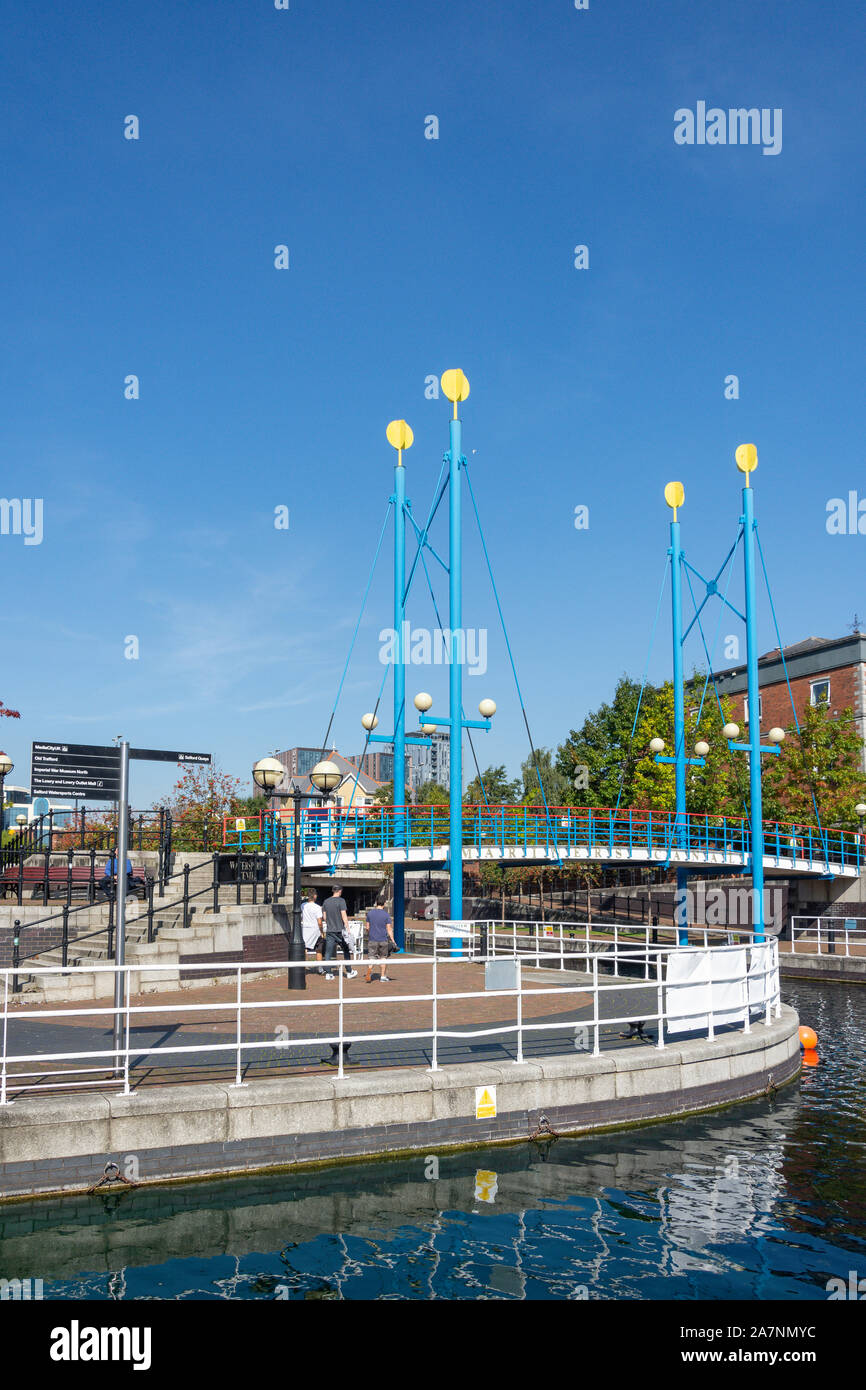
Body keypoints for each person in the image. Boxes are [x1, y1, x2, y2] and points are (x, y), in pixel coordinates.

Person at [322, 885, 357, 981]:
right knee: (346, 950)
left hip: (330, 930)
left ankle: (328, 973)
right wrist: (348, 929)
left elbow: (324, 917)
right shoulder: (341, 901)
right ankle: (349, 971)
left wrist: (330, 922)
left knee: (328, 952)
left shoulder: (326, 901)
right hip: (340, 931)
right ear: (340, 891)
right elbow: (344, 916)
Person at [365, 899, 396, 982]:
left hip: (372, 939)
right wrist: (393, 940)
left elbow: (367, 927)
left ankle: (369, 973)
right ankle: (382, 977)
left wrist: (369, 933)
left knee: (371, 957)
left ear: (376, 903)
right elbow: (389, 929)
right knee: (383, 957)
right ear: (384, 904)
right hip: (383, 939)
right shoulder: (386, 915)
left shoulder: (370, 913)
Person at [301, 889, 325, 975]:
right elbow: (319, 922)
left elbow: (301, 917)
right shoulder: (317, 907)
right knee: (319, 950)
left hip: (305, 929)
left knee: (304, 949)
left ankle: (303, 967)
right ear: (314, 896)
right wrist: (322, 931)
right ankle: (320, 968)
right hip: (315, 930)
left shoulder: (303, 905)